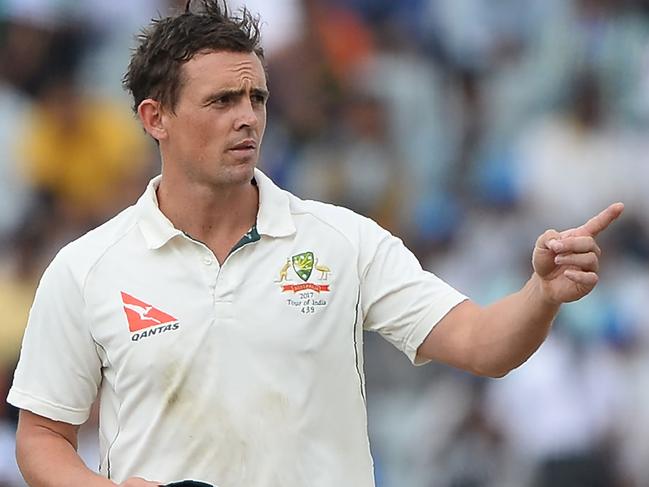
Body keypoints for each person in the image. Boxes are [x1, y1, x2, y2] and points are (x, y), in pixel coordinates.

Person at [7, 1, 624, 486]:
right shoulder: (87, 267)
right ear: (154, 118)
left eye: (256, 98)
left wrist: (542, 293)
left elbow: (483, 343)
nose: (246, 117)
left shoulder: (342, 240)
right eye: (221, 100)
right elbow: (41, 438)